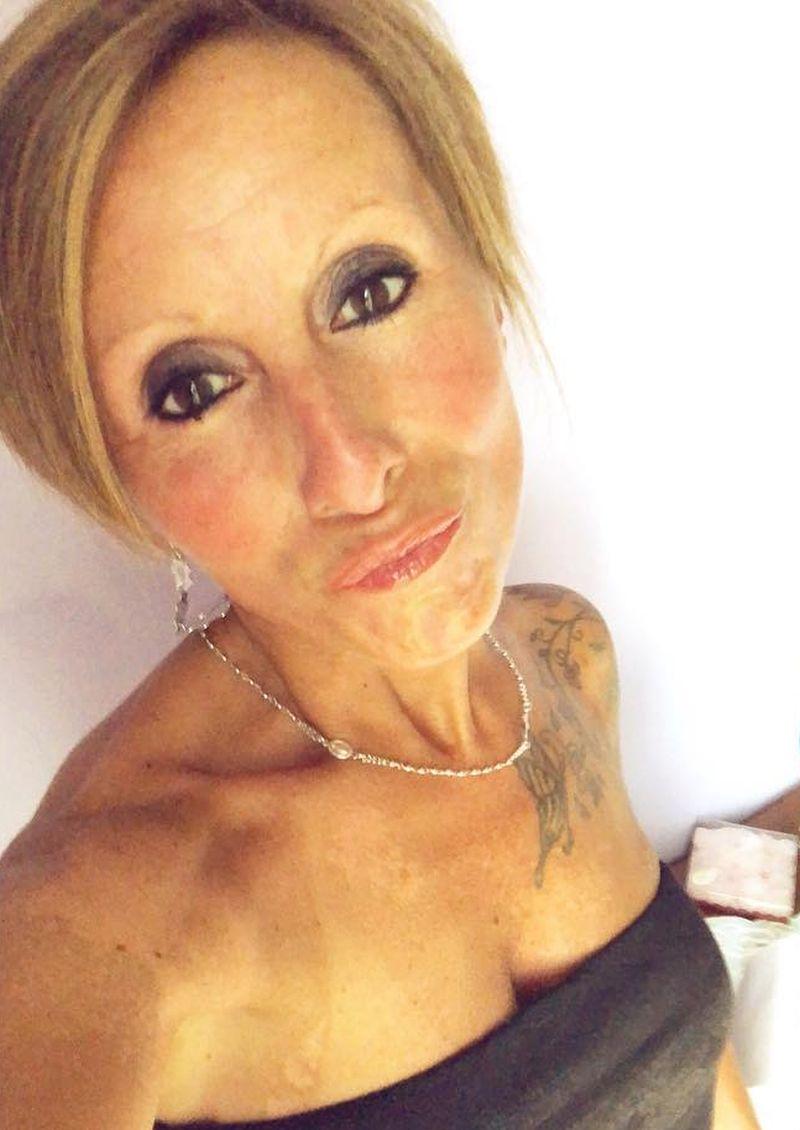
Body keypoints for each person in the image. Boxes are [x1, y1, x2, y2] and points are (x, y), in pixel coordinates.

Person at [0, 2, 754, 1127]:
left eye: (368, 290)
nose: (349, 471)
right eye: (194, 387)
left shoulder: (563, 660)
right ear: (114, 476)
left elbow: (688, 1072)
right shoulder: (95, 931)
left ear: (480, 261)